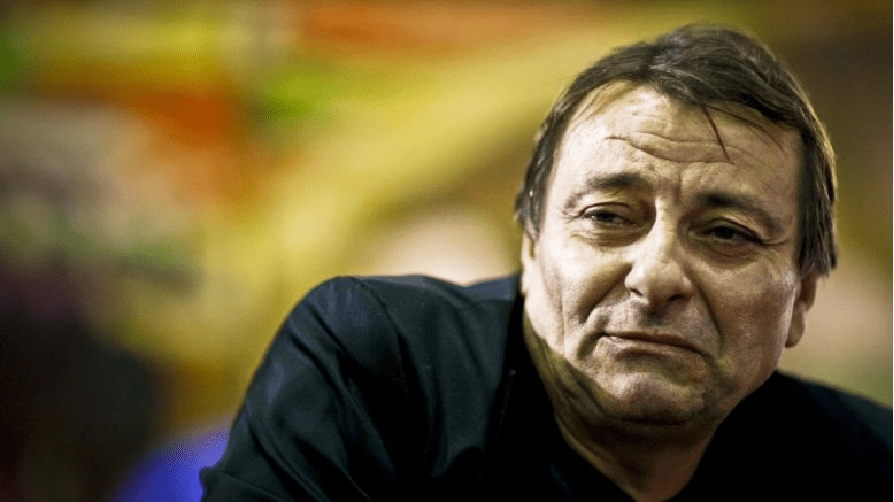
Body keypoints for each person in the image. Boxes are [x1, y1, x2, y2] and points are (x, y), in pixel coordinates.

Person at [200, 24, 891, 501]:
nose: (655, 276)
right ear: (530, 249)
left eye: (726, 234)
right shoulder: (380, 364)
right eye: (608, 218)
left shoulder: (865, 461)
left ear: (801, 298)